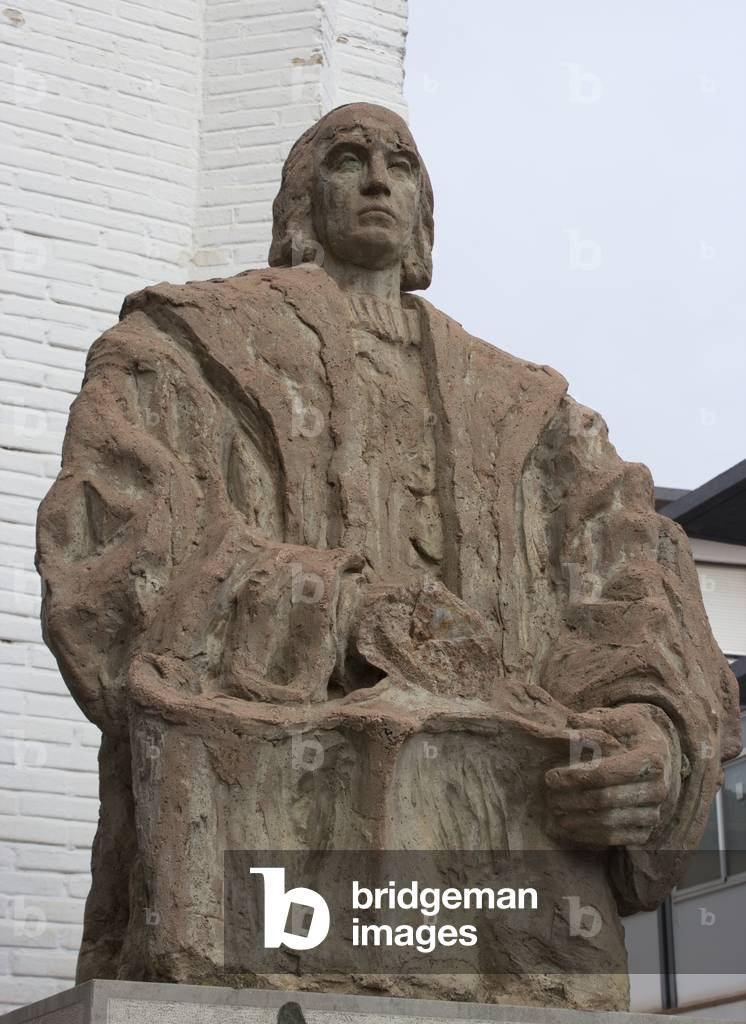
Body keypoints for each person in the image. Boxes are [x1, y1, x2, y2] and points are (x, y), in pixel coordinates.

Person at [36, 103, 740, 1007]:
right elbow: (115, 552)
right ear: (300, 205)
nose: (377, 178)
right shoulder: (186, 349)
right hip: (271, 840)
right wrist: (343, 611)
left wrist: (648, 732)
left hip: (510, 871)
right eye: (347, 159)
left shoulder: (531, 409)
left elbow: (629, 580)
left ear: (423, 214)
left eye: (400, 164)